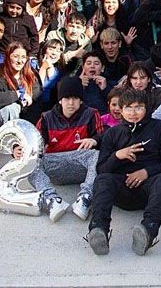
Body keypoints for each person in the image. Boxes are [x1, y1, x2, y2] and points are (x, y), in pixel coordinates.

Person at [87, 89, 161, 256]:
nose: (133, 113)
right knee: (103, 180)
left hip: (149, 189)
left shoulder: (160, 129)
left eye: (138, 107)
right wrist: (117, 155)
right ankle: (98, 230)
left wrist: (146, 172)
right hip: (121, 190)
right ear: (121, 110)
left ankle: (147, 231)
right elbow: (101, 169)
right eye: (128, 108)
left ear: (147, 108)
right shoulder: (113, 133)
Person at [21, 76, 104, 222]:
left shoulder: (91, 114)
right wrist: (19, 149)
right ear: (60, 100)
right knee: (29, 162)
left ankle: (85, 198)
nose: (71, 103)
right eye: (66, 98)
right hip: (55, 165)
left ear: (81, 100)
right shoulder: (46, 118)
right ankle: (52, 200)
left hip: (81, 165)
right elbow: (34, 143)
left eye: (75, 98)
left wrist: (94, 139)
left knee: (97, 155)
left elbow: (104, 137)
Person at [0, 41, 44, 128]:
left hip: (27, 119)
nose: (20, 61)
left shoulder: (32, 75)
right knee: (12, 108)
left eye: (23, 57)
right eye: (15, 56)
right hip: (4, 118)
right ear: (8, 57)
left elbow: (37, 100)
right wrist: (18, 94)